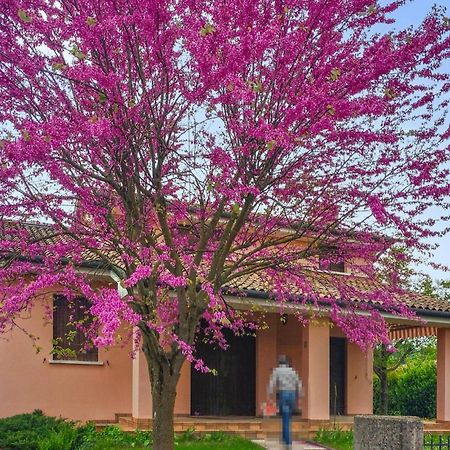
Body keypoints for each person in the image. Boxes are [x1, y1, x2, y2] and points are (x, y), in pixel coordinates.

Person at [267, 354, 302, 449]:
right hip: (292, 394)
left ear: (279, 362)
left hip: (284, 394)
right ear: (287, 363)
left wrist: (269, 396)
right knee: (288, 417)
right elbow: (299, 384)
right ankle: (283, 437)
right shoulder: (293, 371)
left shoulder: (277, 371)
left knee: (285, 418)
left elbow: (272, 383)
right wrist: (300, 397)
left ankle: (288, 442)